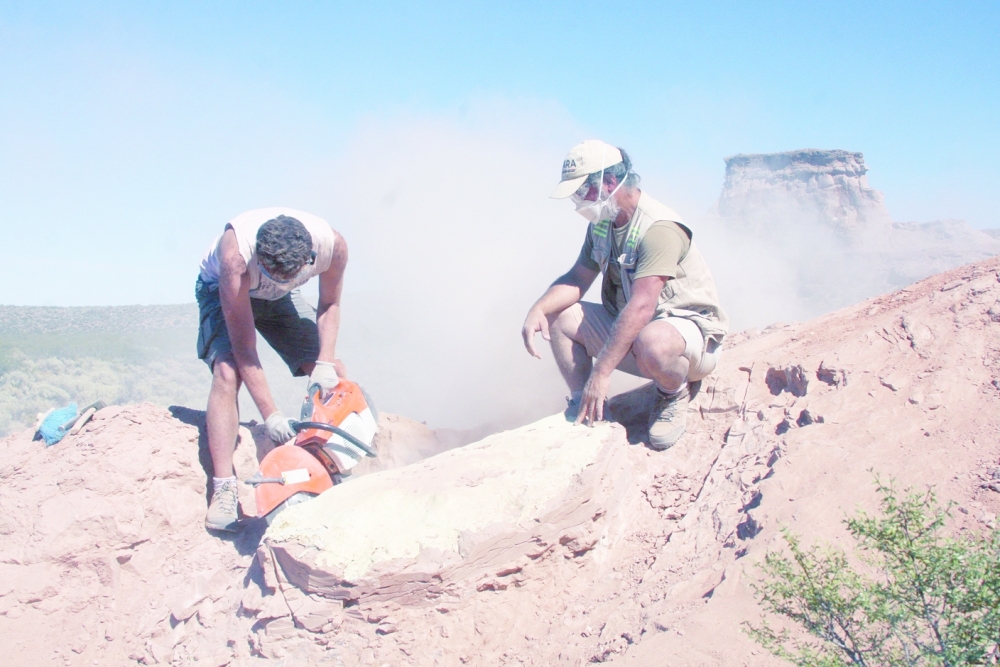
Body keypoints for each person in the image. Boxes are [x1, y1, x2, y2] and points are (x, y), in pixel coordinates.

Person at [521, 140, 728, 450]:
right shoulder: (604, 223)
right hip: (634, 330)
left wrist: (602, 372)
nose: (578, 202)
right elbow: (579, 276)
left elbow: (643, 306)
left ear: (609, 182)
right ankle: (586, 406)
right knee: (561, 314)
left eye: (582, 192)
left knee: (653, 342)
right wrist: (538, 309)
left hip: (684, 337)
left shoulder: (659, 229)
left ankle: (673, 395)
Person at [196, 208, 348, 531]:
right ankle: (223, 489)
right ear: (261, 259)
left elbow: (330, 304)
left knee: (333, 369)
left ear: (306, 259)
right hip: (224, 289)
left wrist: (323, 364)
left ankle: (340, 465)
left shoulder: (331, 248)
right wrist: (272, 416)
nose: (272, 280)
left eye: (282, 276)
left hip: (280, 298)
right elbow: (244, 348)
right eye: (268, 272)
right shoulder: (235, 259)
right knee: (227, 371)